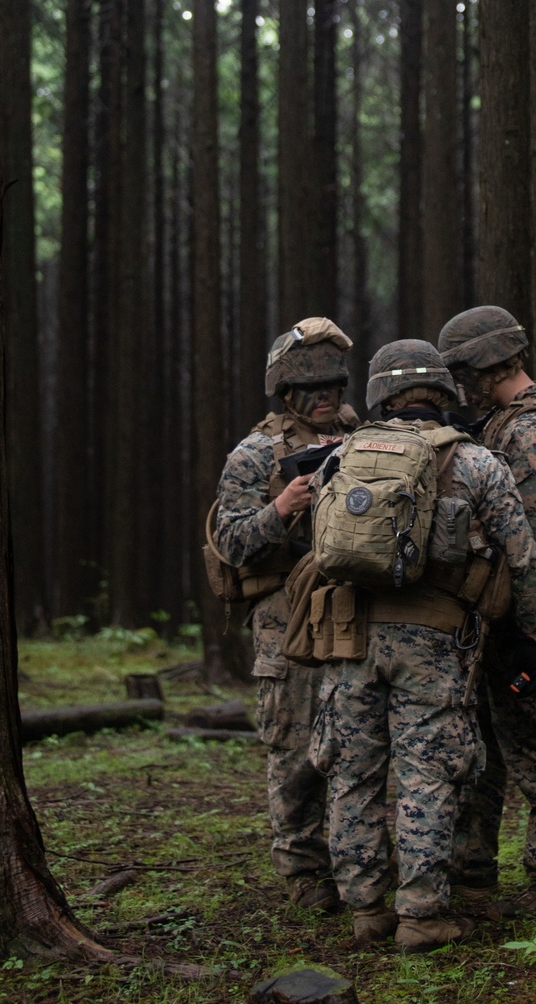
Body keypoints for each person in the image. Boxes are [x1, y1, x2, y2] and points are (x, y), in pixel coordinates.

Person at [309, 340, 536, 952]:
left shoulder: (342, 458)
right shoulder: (476, 463)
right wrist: (529, 638)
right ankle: (420, 915)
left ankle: (365, 909)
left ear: (378, 395)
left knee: (352, 775)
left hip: (352, 639)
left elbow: (321, 546)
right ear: (441, 392)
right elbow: (525, 561)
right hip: (436, 644)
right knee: (429, 775)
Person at [438, 305, 536, 917]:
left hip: (530, 614)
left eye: (460, 372)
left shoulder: (529, 430)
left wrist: (525, 629)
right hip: (502, 613)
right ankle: (475, 874)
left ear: (482, 365)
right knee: (488, 748)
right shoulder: (507, 422)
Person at [214, 318, 359, 912]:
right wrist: (281, 507)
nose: (325, 397)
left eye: (333, 385)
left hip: (353, 607)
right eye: (311, 388)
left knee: (357, 741)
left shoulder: (365, 435)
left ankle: (361, 855)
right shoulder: (254, 454)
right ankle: (303, 868)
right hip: (284, 615)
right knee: (295, 747)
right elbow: (230, 542)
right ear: (285, 392)